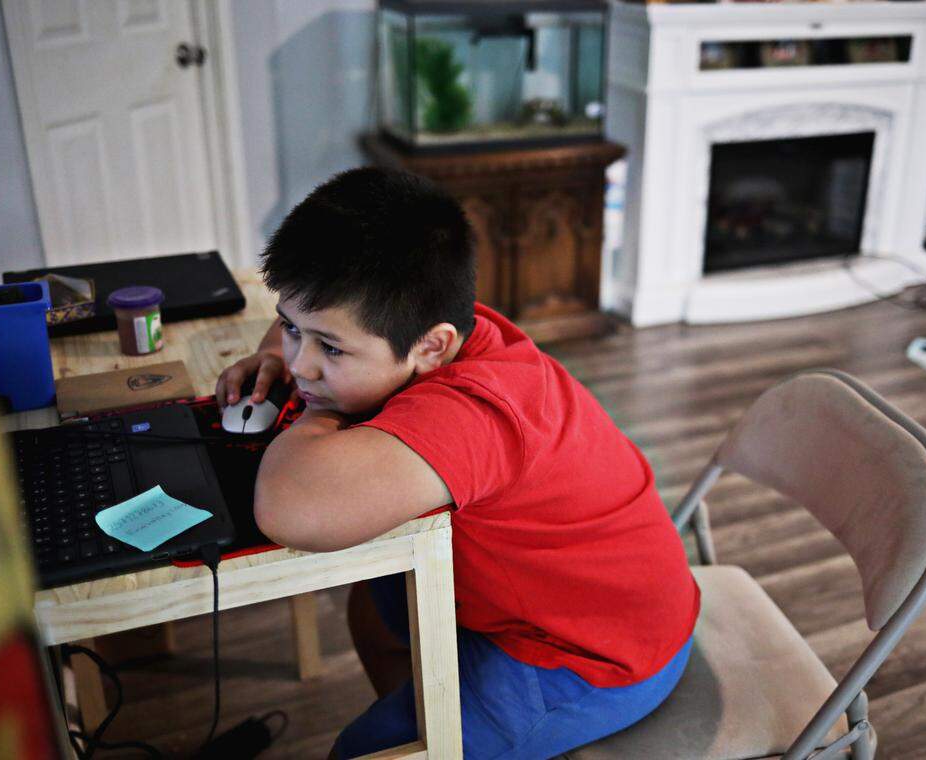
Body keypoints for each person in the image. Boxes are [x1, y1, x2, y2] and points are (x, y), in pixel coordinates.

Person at [216, 167, 699, 759]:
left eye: (330, 349)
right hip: (534, 604)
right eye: (294, 331)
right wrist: (278, 353)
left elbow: (291, 506)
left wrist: (312, 408)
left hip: (590, 656)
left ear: (433, 347)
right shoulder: (420, 320)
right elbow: (317, 316)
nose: (303, 362)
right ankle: (442, 726)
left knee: (360, 753)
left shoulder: (476, 411)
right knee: (373, 607)